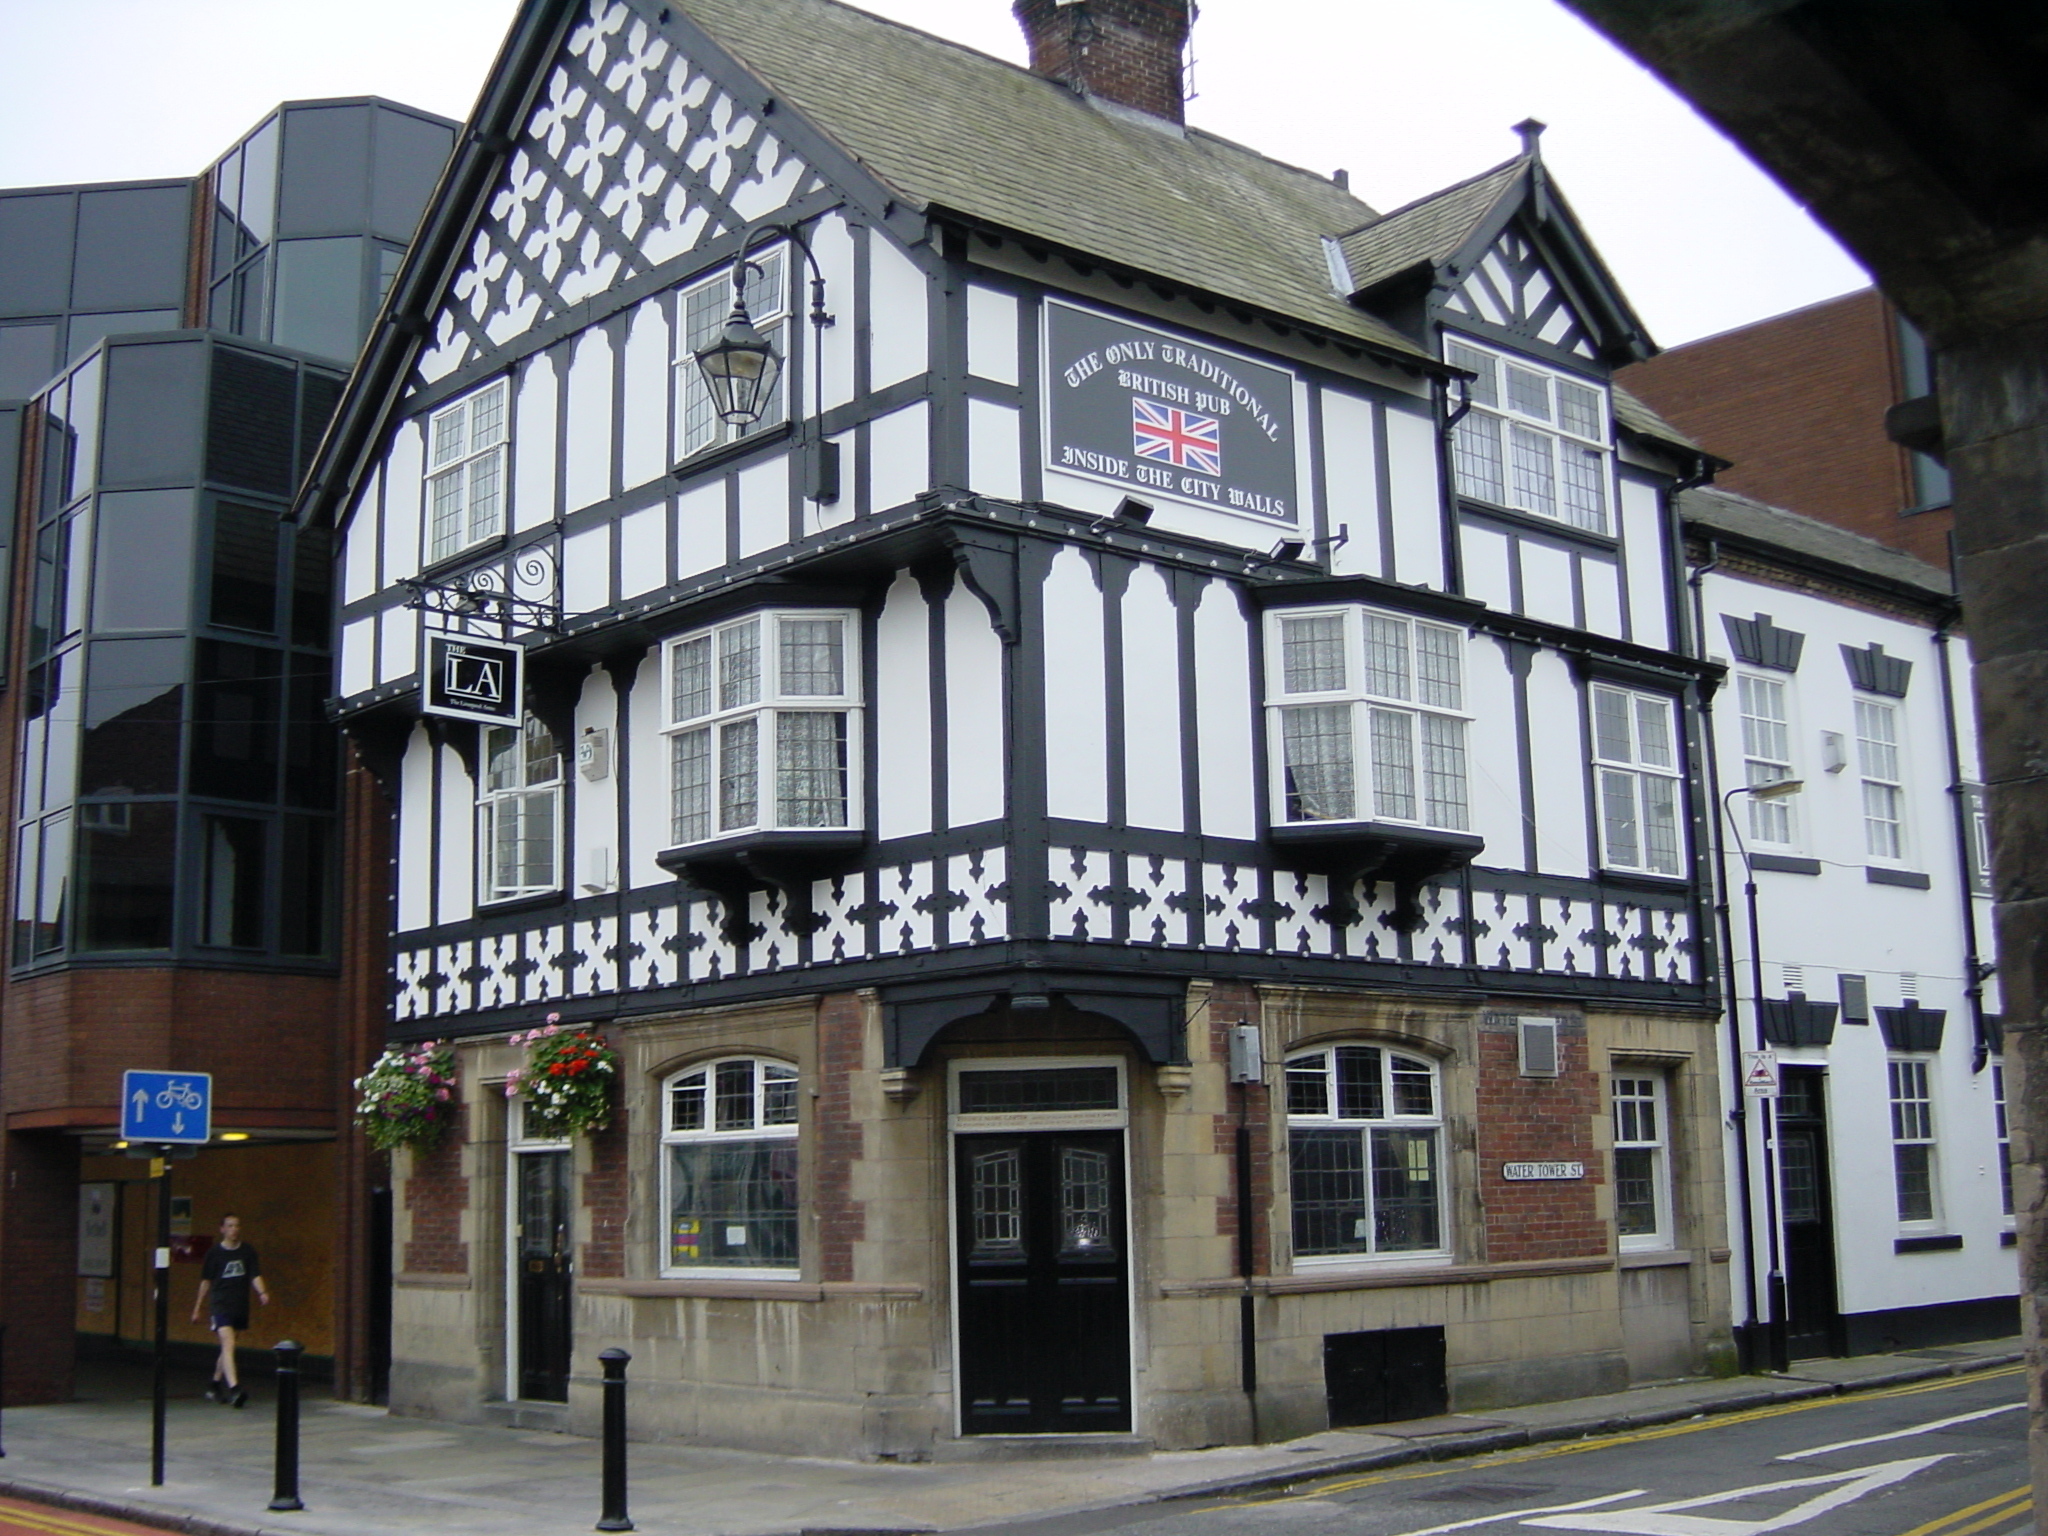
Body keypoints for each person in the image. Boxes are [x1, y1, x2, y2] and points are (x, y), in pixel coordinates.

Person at [191, 1213, 271, 1407]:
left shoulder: (247, 1251)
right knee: (228, 1343)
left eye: (236, 1225)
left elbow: (255, 1274)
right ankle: (235, 1389)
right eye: (230, 1226)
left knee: (229, 1346)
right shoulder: (214, 1253)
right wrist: (197, 1308)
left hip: (239, 1305)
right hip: (220, 1304)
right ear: (222, 1229)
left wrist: (262, 1292)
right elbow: (206, 1281)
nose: (234, 1229)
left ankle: (214, 1385)